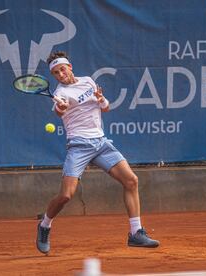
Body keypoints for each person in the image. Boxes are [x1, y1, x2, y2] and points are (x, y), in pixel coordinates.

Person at [36, 51, 159, 254]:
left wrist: (101, 99)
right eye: (56, 73)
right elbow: (59, 110)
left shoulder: (88, 81)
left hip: (101, 143)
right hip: (79, 145)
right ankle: (45, 224)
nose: (60, 74)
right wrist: (62, 108)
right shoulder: (60, 93)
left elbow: (106, 108)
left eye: (62, 69)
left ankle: (136, 233)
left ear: (70, 66)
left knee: (131, 181)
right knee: (66, 195)